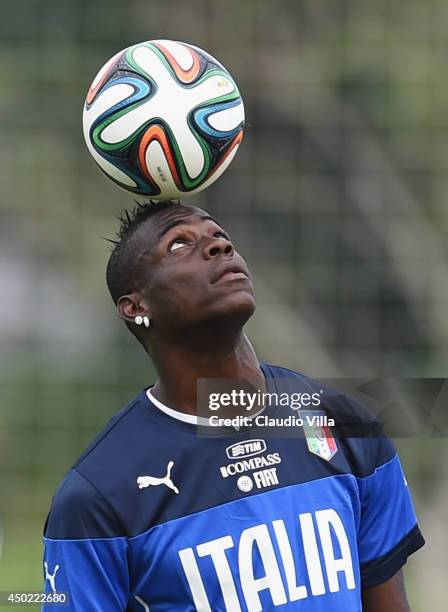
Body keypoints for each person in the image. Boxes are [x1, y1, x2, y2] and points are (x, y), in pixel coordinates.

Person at [42, 200, 424, 611]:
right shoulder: (98, 494)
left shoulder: (346, 423)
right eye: (179, 245)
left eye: (220, 236)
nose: (218, 247)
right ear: (136, 308)